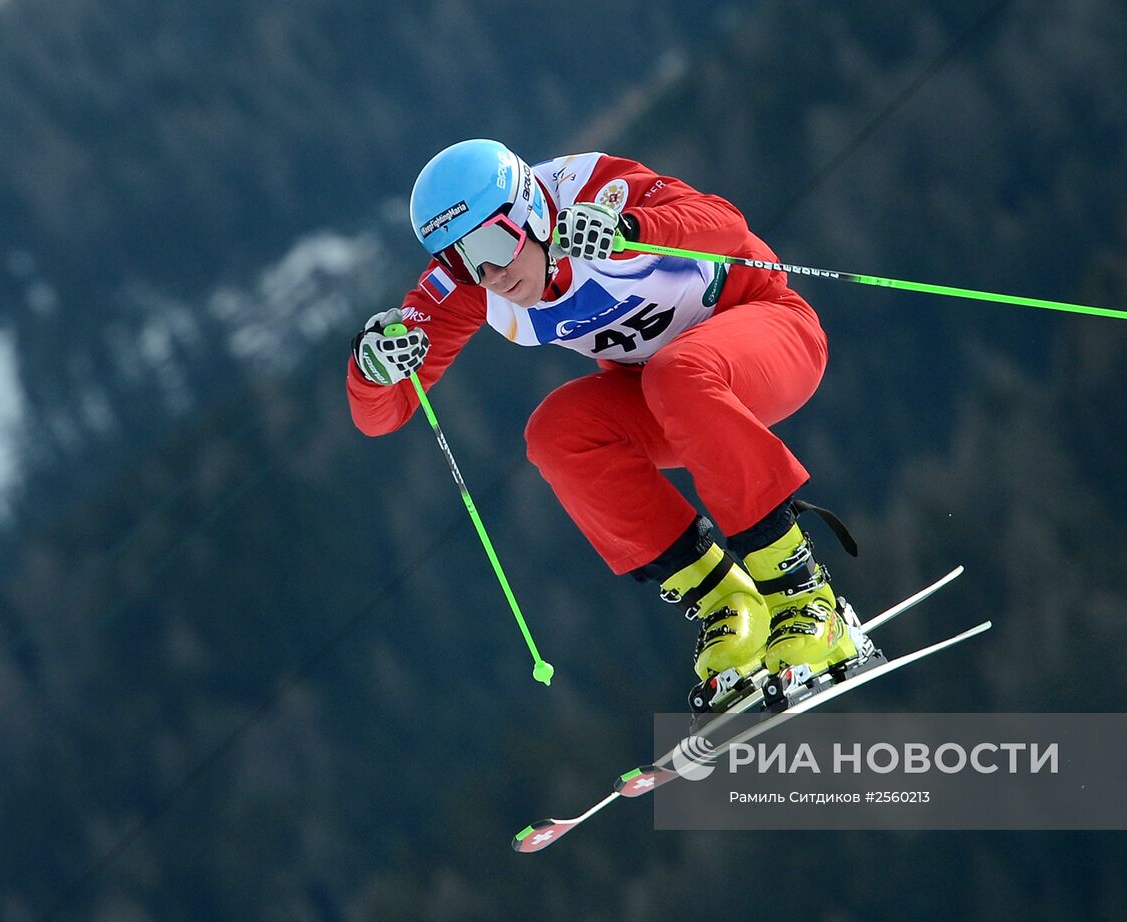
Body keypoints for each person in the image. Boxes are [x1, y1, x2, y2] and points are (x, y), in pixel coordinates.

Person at [346, 138, 856, 695]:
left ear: (529, 211)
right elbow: (384, 415)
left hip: (770, 339)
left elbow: (725, 224)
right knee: (557, 432)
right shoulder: (465, 286)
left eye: (494, 242)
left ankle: (806, 598)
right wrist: (372, 370)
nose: (489, 273)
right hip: (670, 405)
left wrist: (630, 231)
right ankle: (730, 606)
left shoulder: (591, 189)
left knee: (676, 372)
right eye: (460, 260)